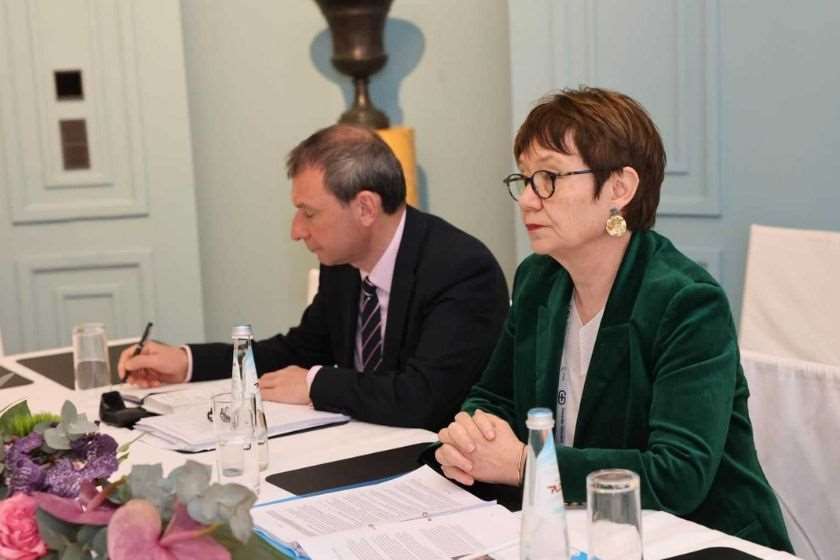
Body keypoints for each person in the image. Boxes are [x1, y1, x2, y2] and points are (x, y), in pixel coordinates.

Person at [434, 87, 793, 552]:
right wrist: (470, 436)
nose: (527, 200)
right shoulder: (538, 279)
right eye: (524, 179)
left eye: (549, 178)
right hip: (580, 530)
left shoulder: (686, 301)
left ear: (619, 189)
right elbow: (494, 395)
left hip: (702, 540)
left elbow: (678, 475)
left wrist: (528, 466)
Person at [118, 124, 509, 431]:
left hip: (434, 468)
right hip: (357, 443)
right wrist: (186, 362)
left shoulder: (460, 269)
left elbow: (423, 398)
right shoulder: (342, 262)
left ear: (365, 208)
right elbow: (298, 351)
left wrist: (314, 385)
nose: (296, 231)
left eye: (309, 213)